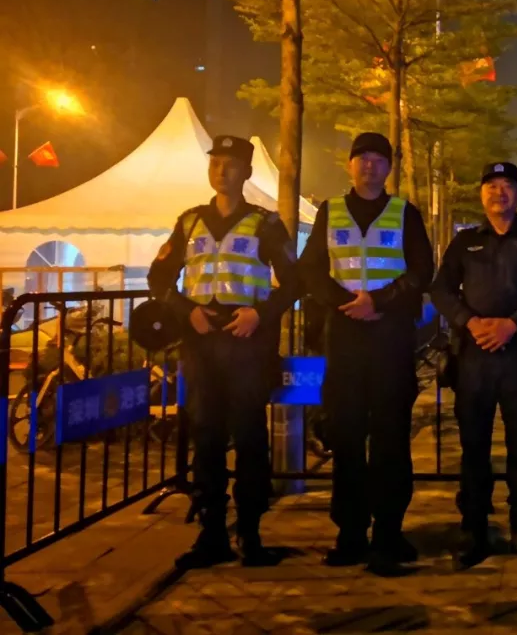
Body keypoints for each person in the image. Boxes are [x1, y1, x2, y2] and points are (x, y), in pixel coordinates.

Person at [148, 135, 299, 568]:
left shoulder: (266, 224)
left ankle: (251, 533)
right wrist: (187, 311)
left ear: (246, 173)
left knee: (250, 435)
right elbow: (159, 279)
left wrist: (259, 314)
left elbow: (293, 282)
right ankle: (211, 534)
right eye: (215, 162)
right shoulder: (189, 222)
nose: (221, 171)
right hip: (201, 344)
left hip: (246, 342)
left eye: (231, 164)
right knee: (207, 435)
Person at [299, 132, 434, 569]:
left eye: (379, 159)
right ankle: (351, 533)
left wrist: (380, 301)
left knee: (391, 436)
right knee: (347, 436)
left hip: (390, 337)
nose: (370, 165)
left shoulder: (405, 213)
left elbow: (422, 269)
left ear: (389, 168)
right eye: (363, 158)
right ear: (350, 165)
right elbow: (311, 269)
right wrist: (347, 303)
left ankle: (389, 533)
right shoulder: (330, 211)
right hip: (345, 339)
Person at [430, 162, 517, 569]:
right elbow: (441, 289)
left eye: (507, 185)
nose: (499, 192)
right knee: (474, 450)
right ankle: (473, 531)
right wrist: (469, 322)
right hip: (474, 360)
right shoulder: (465, 242)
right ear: (481, 194)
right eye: (491, 186)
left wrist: (512, 324)